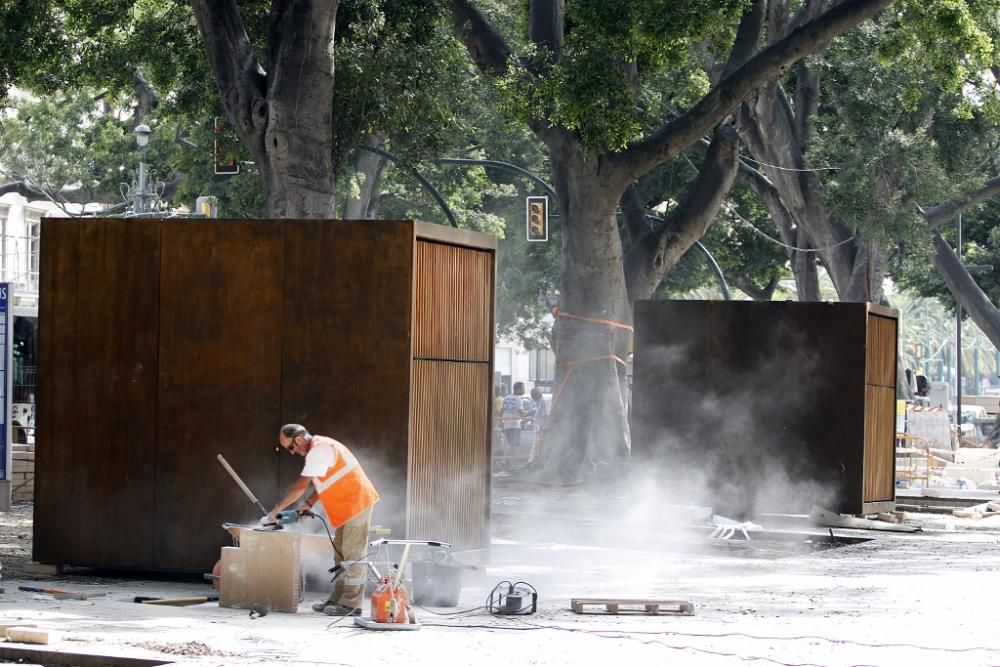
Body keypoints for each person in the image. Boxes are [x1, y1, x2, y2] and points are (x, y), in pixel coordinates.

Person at [266, 423, 380, 617]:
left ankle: (352, 604)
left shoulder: (320, 450)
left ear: (299, 439)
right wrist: (309, 504)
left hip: (356, 502)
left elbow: (299, 487)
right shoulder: (319, 450)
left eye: (291, 448)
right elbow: (326, 481)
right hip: (347, 507)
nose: (292, 453)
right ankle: (337, 599)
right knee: (341, 554)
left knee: (353, 553)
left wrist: (276, 510)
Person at [501, 382, 530, 451]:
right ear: (518, 389)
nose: (524, 390)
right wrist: (531, 412)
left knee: (511, 446)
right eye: (523, 388)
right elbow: (522, 414)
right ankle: (509, 461)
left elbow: (501, 412)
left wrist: (500, 424)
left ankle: (510, 461)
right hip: (515, 426)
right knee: (514, 447)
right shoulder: (518, 399)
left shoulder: (506, 398)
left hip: (506, 426)